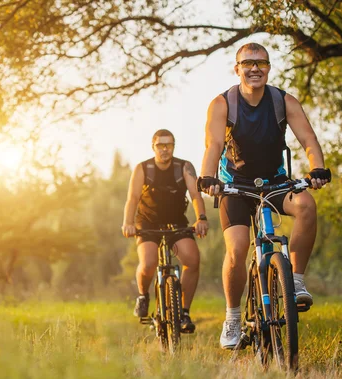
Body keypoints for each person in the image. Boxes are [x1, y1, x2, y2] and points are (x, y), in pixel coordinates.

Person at [198, 43, 331, 349]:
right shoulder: (223, 103)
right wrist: (208, 178)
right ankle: (232, 317)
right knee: (239, 247)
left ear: (269, 68)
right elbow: (213, 144)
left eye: (261, 63)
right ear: (238, 68)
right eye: (248, 63)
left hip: (275, 182)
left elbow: (308, 138)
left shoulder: (283, 101)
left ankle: (294, 281)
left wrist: (318, 168)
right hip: (236, 186)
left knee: (307, 206)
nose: (255, 68)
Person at [122, 129, 208, 333]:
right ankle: (143, 296)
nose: (165, 149)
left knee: (192, 260)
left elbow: (196, 196)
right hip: (148, 223)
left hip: (176, 223)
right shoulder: (143, 168)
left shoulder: (184, 167)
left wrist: (201, 219)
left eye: (169, 145)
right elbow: (132, 199)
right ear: (153, 147)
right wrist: (128, 222)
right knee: (149, 262)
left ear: (173, 146)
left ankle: (184, 312)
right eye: (160, 145)